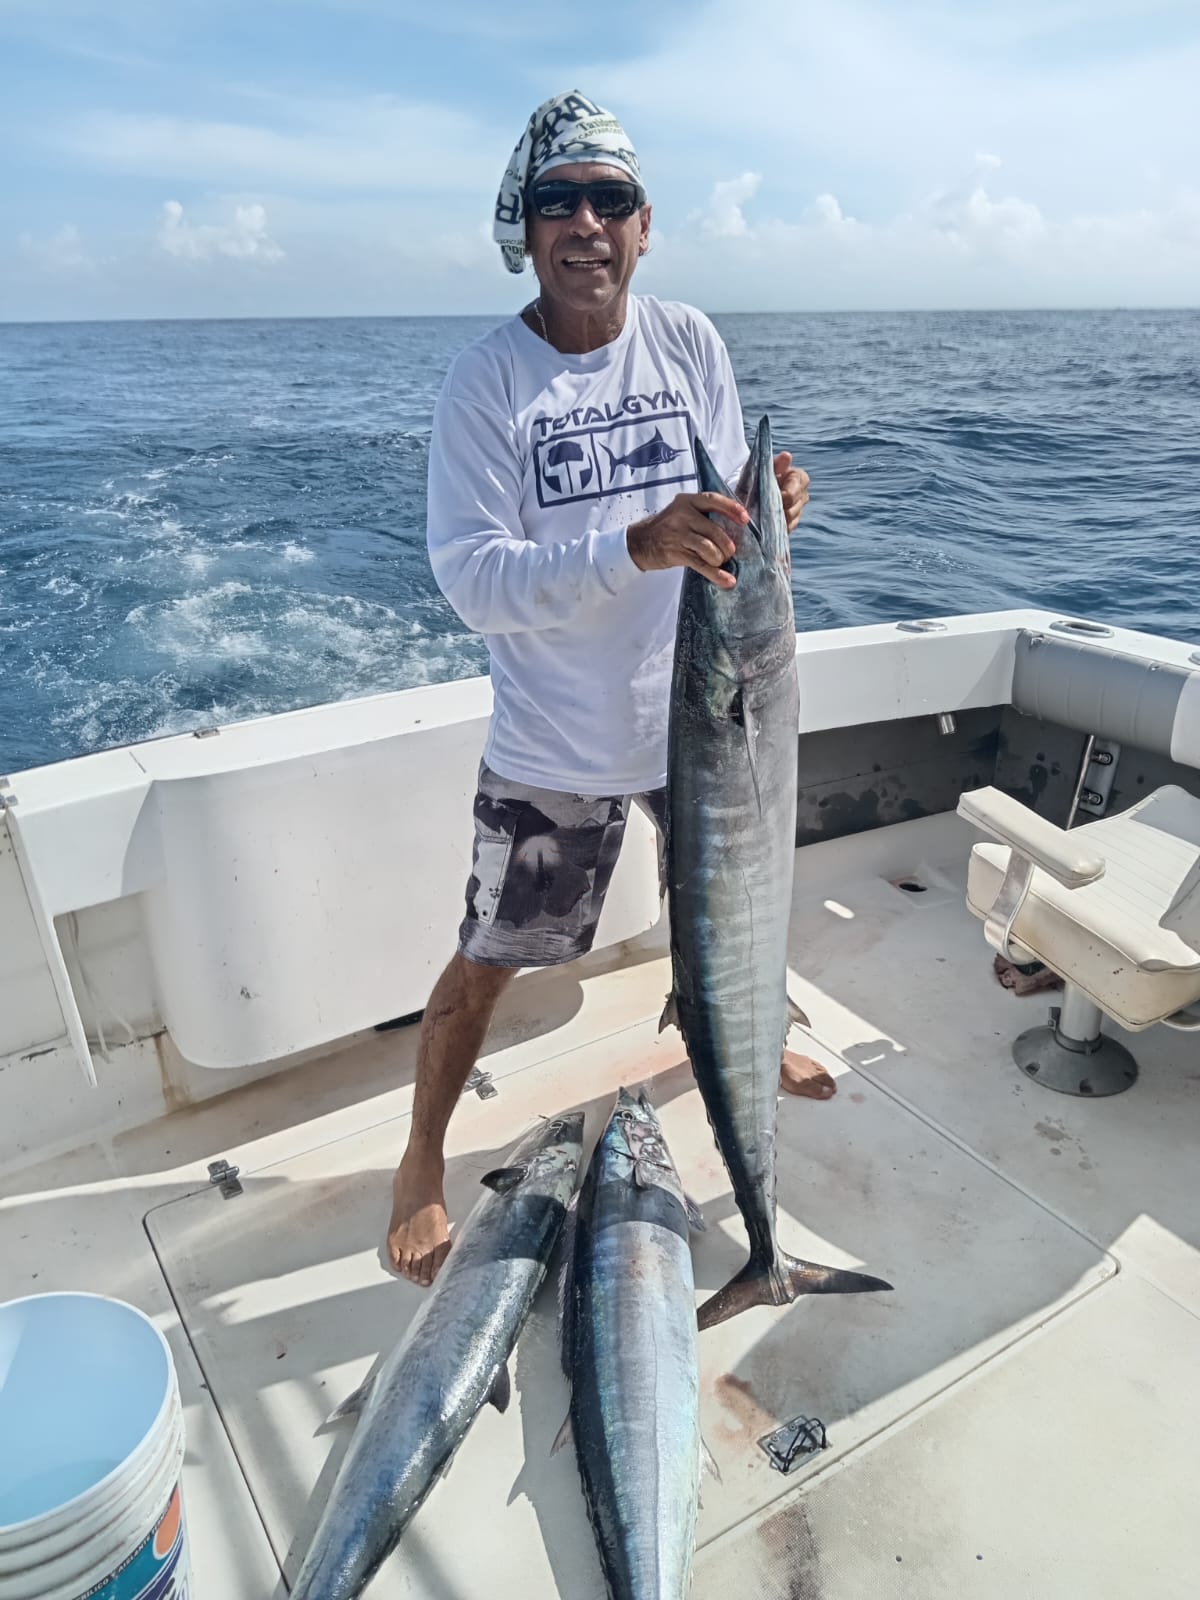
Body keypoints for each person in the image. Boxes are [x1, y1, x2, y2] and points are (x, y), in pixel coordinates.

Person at [388, 90, 832, 1287]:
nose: (585, 221)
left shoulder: (688, 340)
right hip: (558, 746)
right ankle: (422, 1155)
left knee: (736, 911)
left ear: (644, 227)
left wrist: (768, 511)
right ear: (522, 229)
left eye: (610, 199)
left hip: (703, 726)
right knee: (489, 959)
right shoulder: (488, 384)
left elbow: (724, 520)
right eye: (556, 201)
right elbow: (473, 580)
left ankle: (752, 1036)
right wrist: (633, 546)